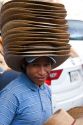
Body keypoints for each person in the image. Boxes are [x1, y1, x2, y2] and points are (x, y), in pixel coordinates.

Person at [0, 56, 54, 125]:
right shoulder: (11, 94)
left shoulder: (46, 89)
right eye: (35, 65)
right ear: (24, 66)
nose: (42, 72)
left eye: (46, 65)